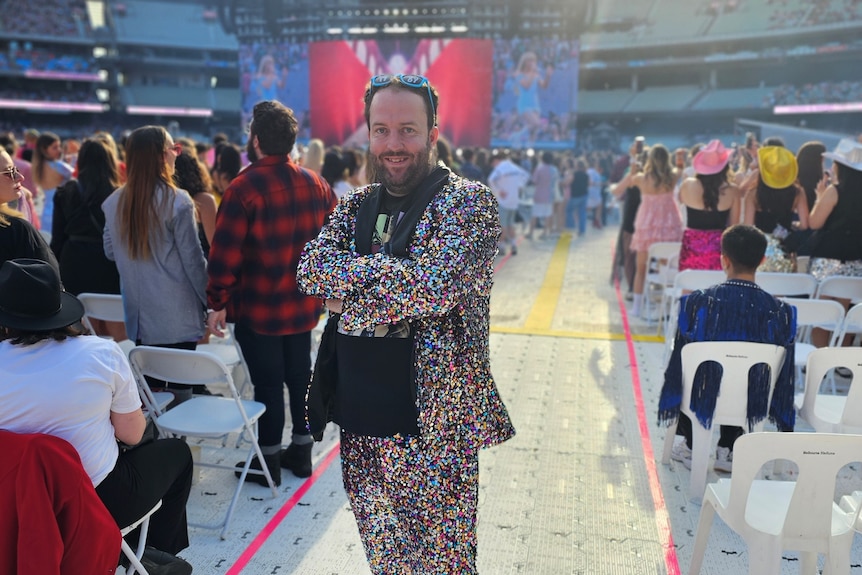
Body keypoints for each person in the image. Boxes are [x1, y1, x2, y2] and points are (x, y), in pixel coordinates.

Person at [297, 73, 515, 575]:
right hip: (359, 417)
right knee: (384, 558)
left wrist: (347, 293)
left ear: (434, 131)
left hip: (433, 426)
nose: (393, 144)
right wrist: (393, 281)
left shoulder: (468, 203)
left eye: (408, 130)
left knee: (443, 564)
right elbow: (310, 268)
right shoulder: (355, 203)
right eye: (381, 130)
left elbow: (433, 288)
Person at [0, 259, 194, 575]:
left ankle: (136, 554)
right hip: (92, 502)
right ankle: (152, 555)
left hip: (13, 508)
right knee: (176, 453)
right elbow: (131, 434)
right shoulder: (100, 353)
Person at [206, 100, 336, 487]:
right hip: (303, 306)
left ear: (256, 140)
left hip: (258, 309)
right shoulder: (317, 183)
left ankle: (268, 461)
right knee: (300, 378)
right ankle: (302, 451)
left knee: (268, 383)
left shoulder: (243, 188)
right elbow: (335, 243)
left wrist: (217, 302)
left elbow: (224, 255)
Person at [658, 225, 796, 472]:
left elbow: (680, 364)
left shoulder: (697, 302)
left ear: (724, 260)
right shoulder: (781, 312)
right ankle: (729, 448)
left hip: (703, 398)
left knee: (695, 367)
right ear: (762, 261)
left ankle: (691, 444)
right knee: (746, 369)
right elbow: (784, 374)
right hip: (754, 400)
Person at [102, 126, 208, 392]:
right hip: (178, 316)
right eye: (175, 149)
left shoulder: (114, 201)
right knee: (182, 393)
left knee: (152, 395)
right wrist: (211, 302)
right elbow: (193, 263)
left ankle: (156, 435)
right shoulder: (177, 201)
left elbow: (110, 251)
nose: (177, 155)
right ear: (162, 156)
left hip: (140, 316)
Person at [49, 139, 124, 340]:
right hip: (110, 264)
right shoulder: (119, 195)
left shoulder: (66, 192)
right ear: (110, 162)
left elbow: (57, 238)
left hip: (73, 262)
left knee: (79, 327)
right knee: (113, 323)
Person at [808, 139, 862, 346]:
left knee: (822, 316)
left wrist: (819, 198)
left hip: (827, 261)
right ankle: (841, 360)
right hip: (856, 261)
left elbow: (814, 222)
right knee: (847, 316)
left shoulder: (834, 191)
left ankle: (821, 359)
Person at [626, 144, 683, 317]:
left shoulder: (642, 179)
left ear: (650, 159)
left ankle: (637, 307)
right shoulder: (671, 178)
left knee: (641, 268)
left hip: (647, 226)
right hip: (669, 225)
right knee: (666, 268)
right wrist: (680, 160)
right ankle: (663, 306)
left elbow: (631, 177)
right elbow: (680, 169)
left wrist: (634, 157)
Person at [677, 140, 741, 270]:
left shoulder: (687, 184)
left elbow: (681, 200)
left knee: (688, 286)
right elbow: (733, 227)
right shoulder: (733, 191)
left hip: (691, 246)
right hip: (718, 249)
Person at [743, 146, 808, 272]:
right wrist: (793, 225)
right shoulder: (798, 193)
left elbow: (748, 227)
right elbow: (805, 225)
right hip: (785, 250)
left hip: (760, 252)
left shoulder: (753, 194)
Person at [0, 148, 57, 269]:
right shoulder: (17, 229)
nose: (20, 177)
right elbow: (50, 278)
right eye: (8, 172)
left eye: (15, 169)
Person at [488, 149, 529, 255]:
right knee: (511, 224)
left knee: (502, 225)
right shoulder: (514, 167)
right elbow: (526, 175)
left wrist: (498, 191)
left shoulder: (500, 169)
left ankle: (502, 246)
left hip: (503, 200)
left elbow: (491, 179)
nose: (493, 165)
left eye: (493, 163)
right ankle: (514, 244)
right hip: (514, 200)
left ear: (497, 160)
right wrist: (519, 186)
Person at [31, 131, 74, 233]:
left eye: (59, 146)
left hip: (46, 210)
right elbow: (75, 174)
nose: (59, 150)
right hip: (60, 208)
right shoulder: (58, 166)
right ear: (44, 150)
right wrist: (73, 161)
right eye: (55, 147)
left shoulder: (38, 166)